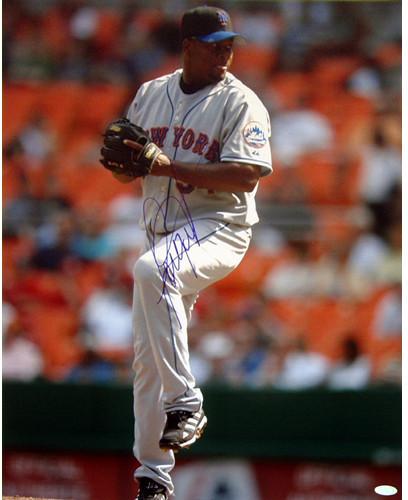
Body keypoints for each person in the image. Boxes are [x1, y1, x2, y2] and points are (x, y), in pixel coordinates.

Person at [103, 6, 272, 499]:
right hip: (163, 230)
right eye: (215, 42)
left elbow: (247, 174)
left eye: (229, 42)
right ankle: (154, 476)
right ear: (188, 46)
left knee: (152, 271)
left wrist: (167, 165)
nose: (226, 50)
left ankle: (187, 401)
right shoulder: (151, 95)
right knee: (146, 359)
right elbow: (129, 168)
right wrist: (121, 165)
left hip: (219, 227)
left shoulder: (241, 102)